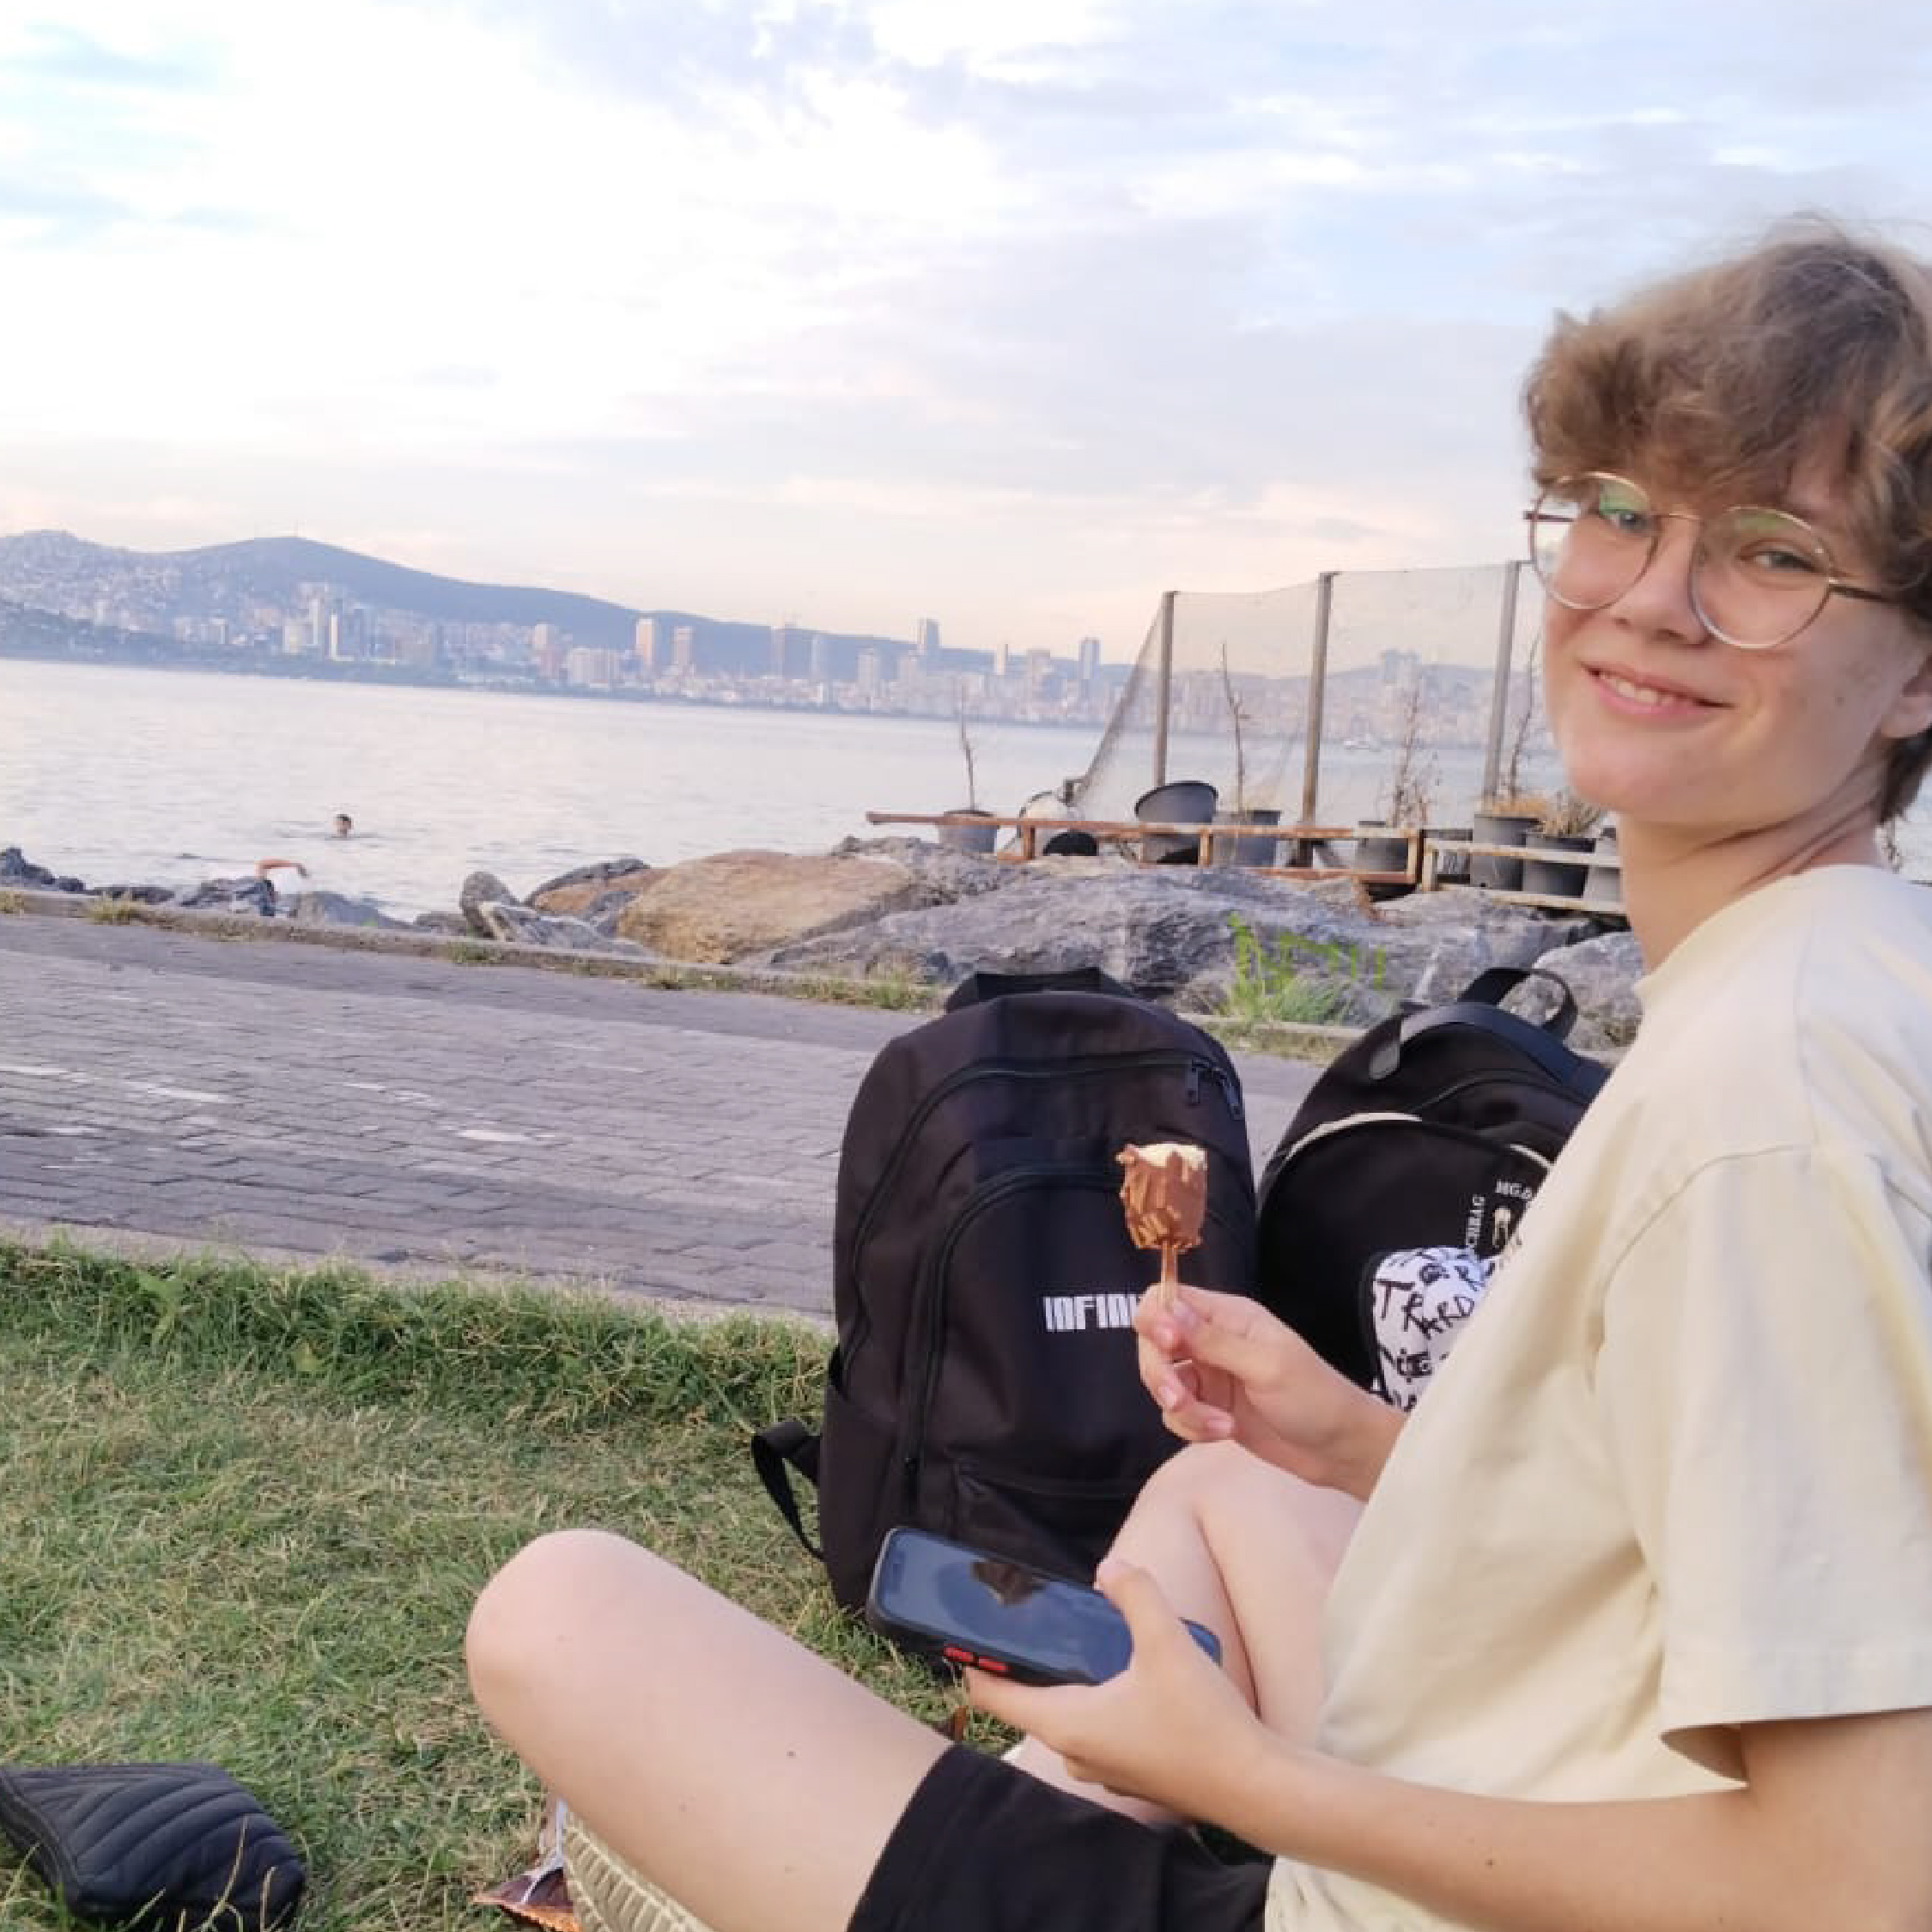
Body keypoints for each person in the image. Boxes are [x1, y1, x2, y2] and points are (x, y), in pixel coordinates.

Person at [465, 219, 1932, 1932]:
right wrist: (1361, 1441)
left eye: (1770, 553)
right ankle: (1066, 1794)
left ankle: (1056, 1815)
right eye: (1619, 510)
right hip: (1518, 1772)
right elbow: (1693, 1541)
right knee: (1229, 1481)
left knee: (558, 1612)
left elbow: (1859, 1890)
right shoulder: (1848, 970)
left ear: (1915, 666)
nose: (1651, 600)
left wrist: (1244, 1781)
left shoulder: (1767, 1110)